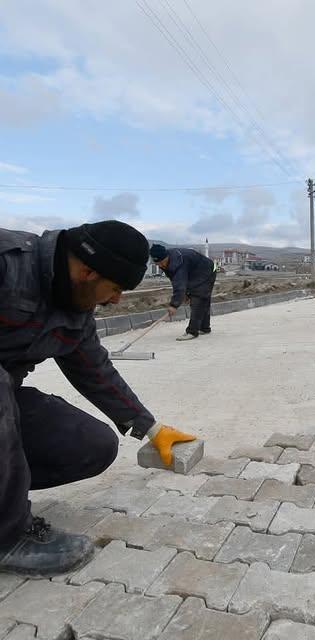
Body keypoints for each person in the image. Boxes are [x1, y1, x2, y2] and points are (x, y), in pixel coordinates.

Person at [0, 221, 196, 576]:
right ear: (87, 271)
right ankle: (6, 536)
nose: (117, 300)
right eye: (116, 288)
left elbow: (95, 370)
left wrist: (150, 427)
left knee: (92, 445)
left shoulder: (73, 304)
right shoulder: (7, 262)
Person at [149, 244, 217, 341]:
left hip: (208, 270)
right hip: (196, 273)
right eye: (157, 264)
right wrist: (185, 294)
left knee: (198, 299)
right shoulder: (165, 262)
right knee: (203, 300)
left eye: (161, 262)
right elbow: (175, 280)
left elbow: (180, 286)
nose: (160, 265)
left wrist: (174, 305)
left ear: (166, 256)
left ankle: (192, 331)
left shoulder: (178, 261)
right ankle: (204, 328)